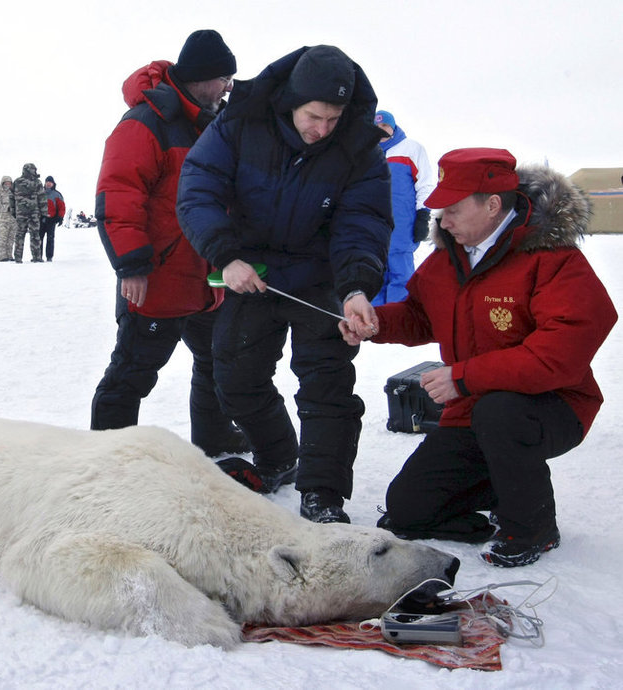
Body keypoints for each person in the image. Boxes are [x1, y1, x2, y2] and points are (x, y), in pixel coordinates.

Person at [339, 148, 617, 567]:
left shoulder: (553, 259)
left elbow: (560, 353)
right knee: (408, 511)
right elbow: (419, 315)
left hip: (554, 407)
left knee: (501, 412)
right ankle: (503, 483)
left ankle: (532, 527)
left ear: (492, 205)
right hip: (473, 409)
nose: (442, 221)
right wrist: (376, 322)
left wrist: (464, 377)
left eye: (451, 209)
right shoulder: (448, 256)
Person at [176, 45, 393, 523]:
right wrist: (226, 255)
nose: (323, 129)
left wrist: (356, 288)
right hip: (254, 272)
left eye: (334, 118)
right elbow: (198, 188)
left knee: (327, 387)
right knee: (233, 375)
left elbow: (363, 223)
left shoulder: (358, 146)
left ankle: (323, 494)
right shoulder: (241, 122)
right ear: (292, 100)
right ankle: (277, 457)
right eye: (315, 116)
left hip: (323, 277)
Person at [91, 29, 249, 458]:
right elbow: (118, 196)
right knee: (132, 373)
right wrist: (132, 266)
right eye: (224, 78)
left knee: (217, 363)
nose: (229, 87)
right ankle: (109, 457)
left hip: (207, 278)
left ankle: (215, 437)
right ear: (202, 77)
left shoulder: (213, 124)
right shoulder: (145, 123)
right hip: (157, 278)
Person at [371, 109, 436, 305]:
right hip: (372, 225)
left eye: (384, 126)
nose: (380, 130)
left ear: (393, 127)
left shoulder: (410, 149)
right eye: (376, 127)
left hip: (402, 225)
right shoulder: (364, 153)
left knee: (401, 273)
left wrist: (423, 215)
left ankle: (399, 321)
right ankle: (375, 324)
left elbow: (424, 184)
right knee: (373, 272)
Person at [12, 162, 48, 263]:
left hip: (21, 213)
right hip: (34, 214)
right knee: (35, 235)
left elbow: (11, 197)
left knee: (20, 235)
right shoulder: (37, 182)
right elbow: (42, 198)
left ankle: (18, 258)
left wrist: (14, 211)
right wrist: (44, 213)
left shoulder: (17, 182)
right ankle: (37, 257)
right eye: (34, 169)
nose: (35, 171)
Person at [41, 176, 66, 261]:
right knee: (39, 238)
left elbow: (62, 207)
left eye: (50, 182)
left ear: (53, 184)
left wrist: (60, 217)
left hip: (51, 220)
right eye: (47, 182)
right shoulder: (40, 193)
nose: (48, 184)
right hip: (40, 219)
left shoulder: (57, 194)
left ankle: (49, 257)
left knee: (50, 239)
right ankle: (38, 256)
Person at [0, 175, 17, 262]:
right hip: (3, 220)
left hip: (13, 220)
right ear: (2, 183)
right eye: (6, 183)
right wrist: (7, 208)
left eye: (9, 183)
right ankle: (1, 256)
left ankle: (9, 255)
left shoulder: (14, 194)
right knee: (3, 238)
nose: (8, 185)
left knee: (11, 239)